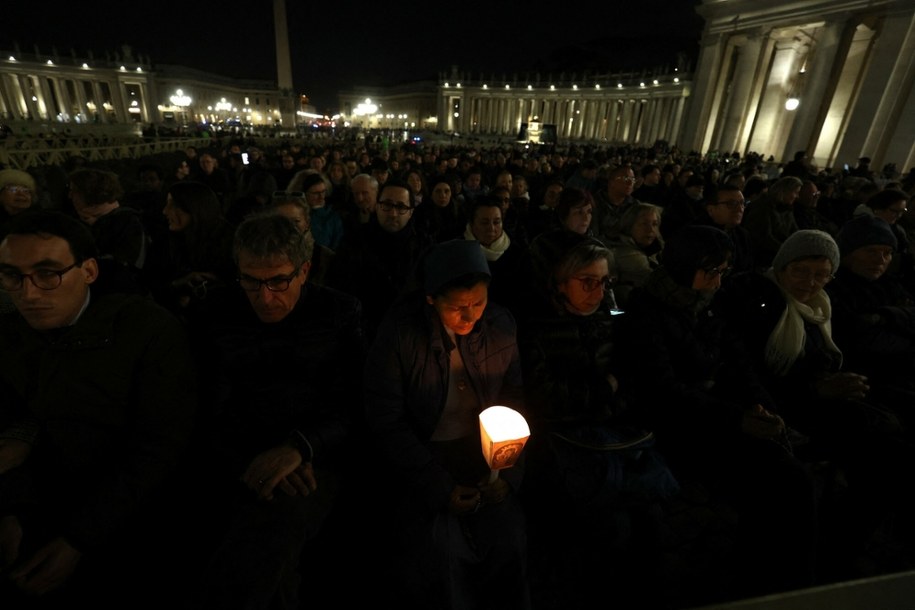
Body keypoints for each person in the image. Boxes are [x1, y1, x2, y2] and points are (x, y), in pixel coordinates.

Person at [0, 210, 196, 609]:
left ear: (88, 271)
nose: (29, 293)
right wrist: (12, 508)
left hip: (132, 521)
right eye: (12, 276)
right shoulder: (10, 335)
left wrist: (78, 540)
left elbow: (158, 448)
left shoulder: (147, 331)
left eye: (47, 274)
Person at [614, 225, 818, 601]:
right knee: (780, 481)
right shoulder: (646, 314)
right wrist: (737, 418)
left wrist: (764, 408)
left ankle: (771, 580)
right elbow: (663, 391)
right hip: (678, 428)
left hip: (719, 414)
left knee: (788, 479)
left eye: (723, 271)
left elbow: (738, 365)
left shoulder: (709, 305)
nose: (718, 280)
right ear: (682, 265)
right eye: (711, 271)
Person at [715, 229, 915, 583]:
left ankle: (841, 546)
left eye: (822, 274)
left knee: (890, 453)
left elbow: (821, 359)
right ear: (782, 268)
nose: (811, 282)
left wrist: (838, 382)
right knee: (879, 458)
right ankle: (828, 558)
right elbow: (749, 376)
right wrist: (816, 390)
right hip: (783, 411)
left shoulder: (820, 306)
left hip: (811, 404)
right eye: (801, 271)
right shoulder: (759, 303)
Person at [189, 212, 365, 610]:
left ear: (304, 271)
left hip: (315, 460)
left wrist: (300, 448)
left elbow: (352, 402)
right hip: (234, 454)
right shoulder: (214, 313)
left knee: (270, 529)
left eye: (278, 281)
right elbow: (203, 404)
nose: (264, 297)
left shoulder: (338, 313)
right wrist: (250, 458)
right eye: (251, 281)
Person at [364, 239, 530, 610]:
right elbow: (386, 419)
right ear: (430, 299)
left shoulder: (500, 325)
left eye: (478, 304)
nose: (470, 317)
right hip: (422, 456)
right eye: (457, 308)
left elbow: (513, 399)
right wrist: (436, 485)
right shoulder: (400, 335)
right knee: (440, 553)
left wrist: (508, 472)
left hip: (482, 452)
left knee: (508, 541)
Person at [517, 229, 678, 607]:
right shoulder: (536, 329)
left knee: (653, 523)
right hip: (563, 447)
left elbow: (634, 381)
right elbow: (545, 398)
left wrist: (608, 397)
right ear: (560, 282)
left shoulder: (614, 321)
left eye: (604, 282)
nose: (598, 291)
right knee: (610, 527)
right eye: (587, 282)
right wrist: (605, 391)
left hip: (614, 439)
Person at [326, 178, 433, 342]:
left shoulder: (424, 247)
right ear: (377, 205)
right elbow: (339, 288)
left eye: (401, 207)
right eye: (387, 205)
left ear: (411, 211)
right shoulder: (354, 241)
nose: (393, 213)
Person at [143, 180, 235, 320]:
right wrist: (177, 285)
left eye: (173, 205)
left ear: (195, 208)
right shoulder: (163, 244)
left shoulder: (231, 243)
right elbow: (149, 285)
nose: (165, 211)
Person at [66, 168, 148, 284]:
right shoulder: (78, 221)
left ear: (89, 193)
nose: (70, 196)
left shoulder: (127, 221)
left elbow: (127, 264)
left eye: (74, 191)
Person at [464, 194, 529, 316]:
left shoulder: (517, 252)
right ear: (472, 224)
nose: (491, 228)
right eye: (484, 223)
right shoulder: (460, 252)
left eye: (497, 222)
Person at [607, 202, 663, 309]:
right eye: (644, 224)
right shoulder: (623, 254)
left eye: (654, 224)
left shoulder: (655, 250)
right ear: (629, 225)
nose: (651, 229)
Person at [741, 176, 802, 270]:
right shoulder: (762, 207)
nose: (797, 196)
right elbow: (764, 238)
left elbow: (794, 231)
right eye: (795, 192)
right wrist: (788, 251)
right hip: (763, 257)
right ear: (784, 191)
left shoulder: (786, 209)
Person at [287, 171, 344, 251]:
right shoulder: (292, 214)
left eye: (323, 192)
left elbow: (337, 244)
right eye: (316, 193)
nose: (321, 197)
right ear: (303, 193)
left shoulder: (332, 216)